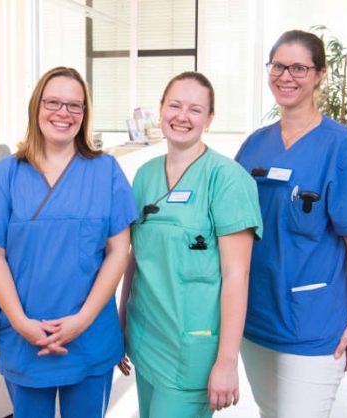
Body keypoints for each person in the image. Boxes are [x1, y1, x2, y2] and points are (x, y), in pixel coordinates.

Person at [0, 66, 138, 418]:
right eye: (54, 102)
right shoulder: (7, 174)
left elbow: (119, 251)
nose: (63, 113)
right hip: (26, 336)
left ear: (85, 114)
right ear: (36, 107)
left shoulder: (106, 171)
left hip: (88, 336)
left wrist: (82, 320)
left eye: (75, 106)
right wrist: (21, 322)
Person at [235, 30, 347, 418]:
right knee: (270, 412)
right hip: (256, 317)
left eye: (299, 67)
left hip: (315, 324)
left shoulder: (343, 147)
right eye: (278, 66)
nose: (286, 76)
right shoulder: (254, 145)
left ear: (319, 74)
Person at [118, 71, 263, 418]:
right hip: (145, 337)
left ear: (210, 119)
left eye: (195, 110)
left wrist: (227, 363)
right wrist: (121, 325)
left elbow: (236, 275)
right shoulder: (145, 175)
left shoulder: (227, 180)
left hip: (190, 350)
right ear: (161, 110)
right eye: (175, 105)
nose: (182, 116)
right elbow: (134, 258)